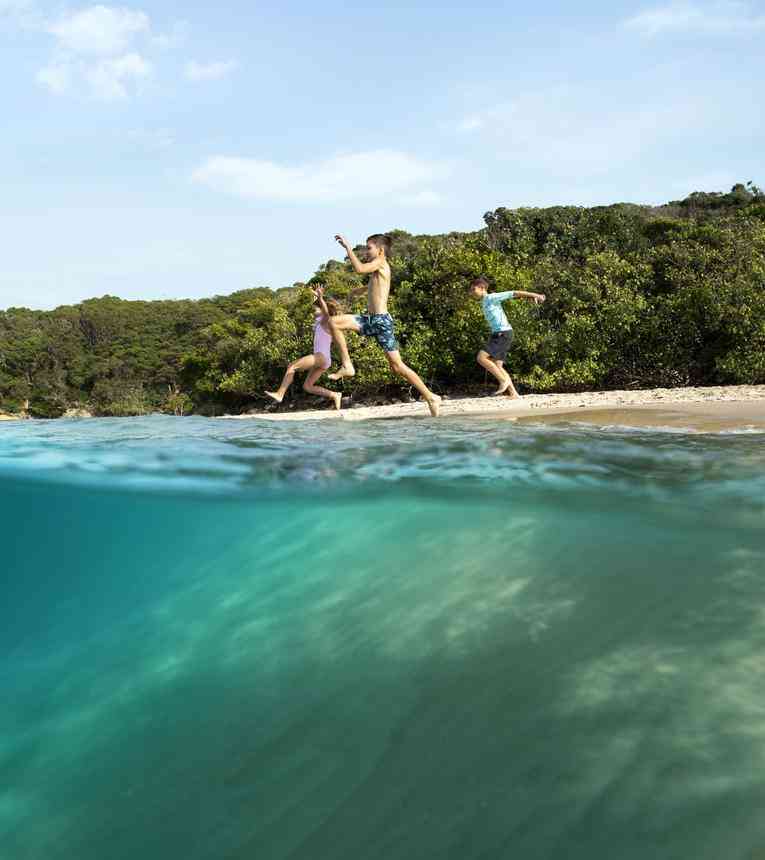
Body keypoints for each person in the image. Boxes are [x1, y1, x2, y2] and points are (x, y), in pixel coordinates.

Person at [324, 233, 442, 417]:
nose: (366, 250)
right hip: (374, 320)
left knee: (397, 366)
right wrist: (362, 290)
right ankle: (430, 397)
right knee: (335, 322)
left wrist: (348, 248)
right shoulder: (379, 268)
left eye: (368, 247)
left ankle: (430, 396)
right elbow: (379, 285)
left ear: (380, 250)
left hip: (380, 322)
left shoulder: (380, 262)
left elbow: (360, 269)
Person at [265, 289, 343, 410]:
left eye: (316, 309)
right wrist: (316, 297)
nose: (313, 311)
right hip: (324, 359)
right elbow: (318, 307)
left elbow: (326, 312)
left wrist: (321, 298)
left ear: (323, 309)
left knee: (292, 366)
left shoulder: (326, 320)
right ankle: (335, 395)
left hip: (321, 356)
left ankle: (280, 394)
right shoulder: (319, 321)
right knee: (307, 386)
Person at [468, 276, 546, 397]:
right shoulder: (485, 301)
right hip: (500, 333)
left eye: (473, 289)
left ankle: (503, 380)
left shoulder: (491, 297)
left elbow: (514, 293)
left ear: (482, 288)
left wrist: (536, 295)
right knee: (498, 365)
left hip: (503, 333)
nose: (471, 292)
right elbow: (516, 297)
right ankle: (514, 393)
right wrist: (530, 298)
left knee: (481, 358)